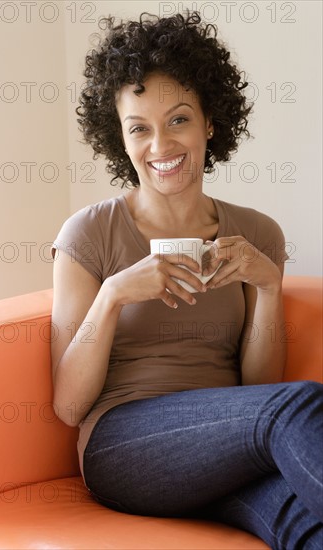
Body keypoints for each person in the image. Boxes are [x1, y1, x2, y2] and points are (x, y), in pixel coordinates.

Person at [50, 11, 323, 549]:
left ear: (210, 122)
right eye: (139, 128)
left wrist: (268, 287)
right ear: (120, 138)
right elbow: (68, 407)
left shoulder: (257, 234)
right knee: (300, 406)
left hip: (227, 448)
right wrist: (113, 295)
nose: (161, 146)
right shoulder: (89, 232)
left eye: (178, 120)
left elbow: (256, 388)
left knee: (304, 524)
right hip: (124, 446)